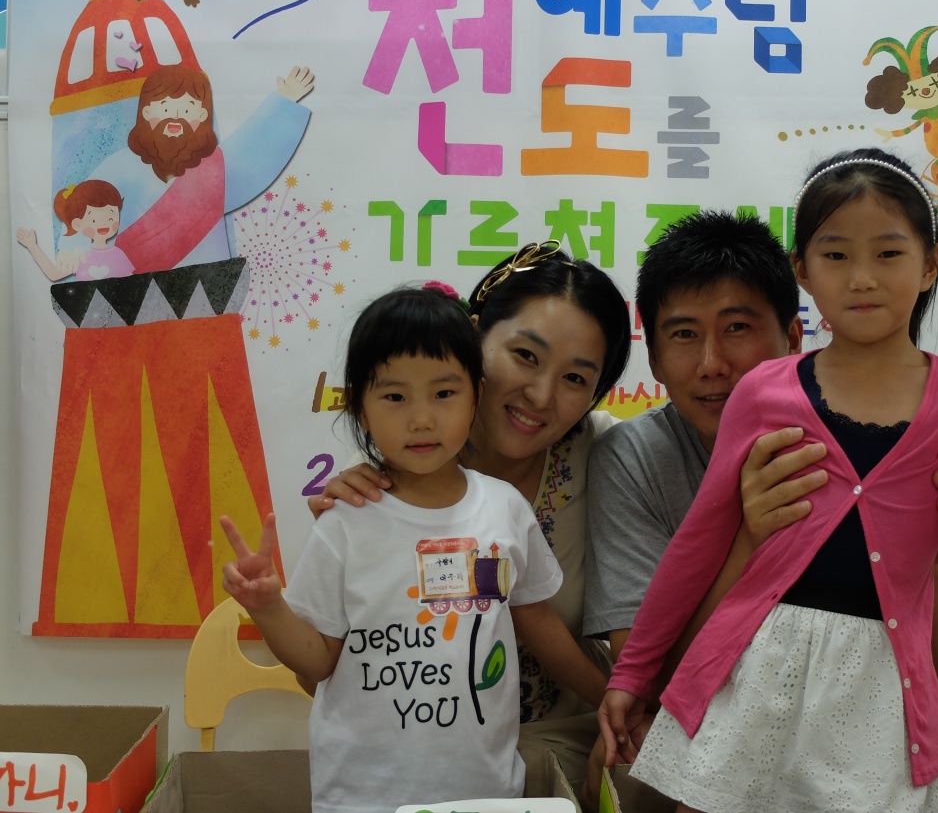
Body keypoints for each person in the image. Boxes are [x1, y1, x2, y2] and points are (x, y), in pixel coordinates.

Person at [599, 148, 938, 813]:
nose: (862, 278)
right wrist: (632, 674)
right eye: (836, 255)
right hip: (753, 673)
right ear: (803, 270)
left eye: (888, 253)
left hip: (881, 688)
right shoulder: (763, 390)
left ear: (931, 264)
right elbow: (700, 540)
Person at [218, 282, 604, 812]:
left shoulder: (504, 509)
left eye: (444, 394)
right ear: (361, 409)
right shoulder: (345, 520)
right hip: (362, 797)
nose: (421, 419)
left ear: (476, 395)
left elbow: (536, 617)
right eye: (395, 397)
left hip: (485, 791)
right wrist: (267, 606)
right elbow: (316, 661)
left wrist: (611, 700)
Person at [308, 241, 632, 795]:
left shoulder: (607, 454)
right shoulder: (386, 486)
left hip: (569, 739)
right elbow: (324, 668)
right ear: (473, 338)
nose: (541, 395)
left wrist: (629, 714)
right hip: (429, 751)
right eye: (525, 355)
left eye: (576, 379)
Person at [90, 64, 313, 273]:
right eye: (165, 108)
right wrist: (76, 252)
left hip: (208, 277)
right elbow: (86, 205)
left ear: (202, 116)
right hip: (133, 280)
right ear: (147, 113)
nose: (176, 117)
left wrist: (284, 103)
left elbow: (252, 151)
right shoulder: (122, 164)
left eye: (187, 110)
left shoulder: (217, 164)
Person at [16, 181, 135, 282]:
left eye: (110, 219)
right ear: (77, 224)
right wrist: (32, 246)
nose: (104, 224)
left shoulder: (118, 254)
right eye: (94, 220)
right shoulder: (79, 256)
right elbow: (53, 274)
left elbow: (132, 284)